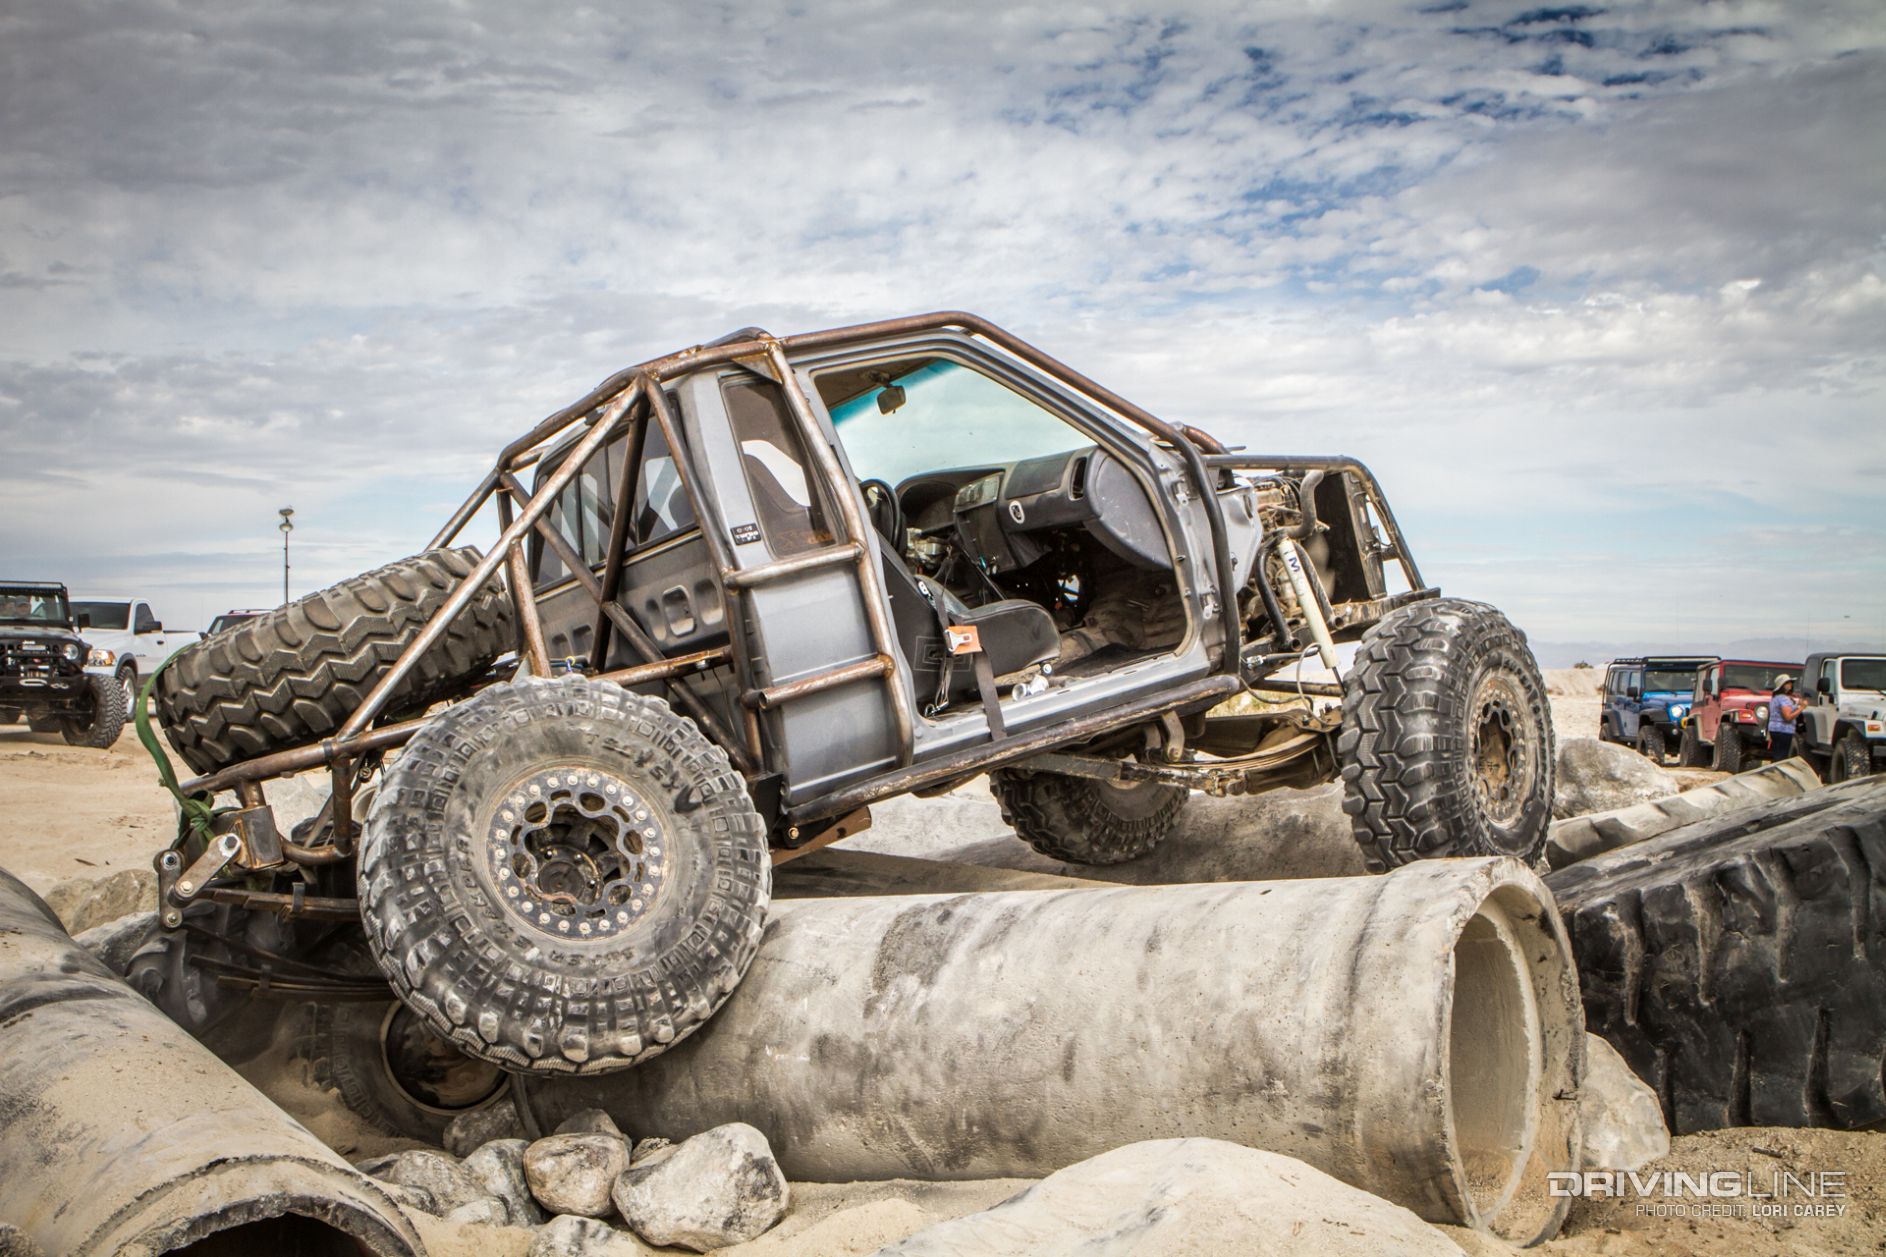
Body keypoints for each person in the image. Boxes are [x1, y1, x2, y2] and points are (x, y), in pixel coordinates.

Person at [1768, 675, 1804, 760]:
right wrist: (1802, 708)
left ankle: (1774, 771)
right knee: (1782, 756)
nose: (1790, 684)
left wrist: (1796, 705)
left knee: (1777, 753)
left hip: (1774, 729)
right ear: (1782, 685)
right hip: (1783, 730)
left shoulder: (1775, 698)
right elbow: (1788, 717)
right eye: (1787, 683)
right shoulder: (1784, 699)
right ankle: (1778, 772)